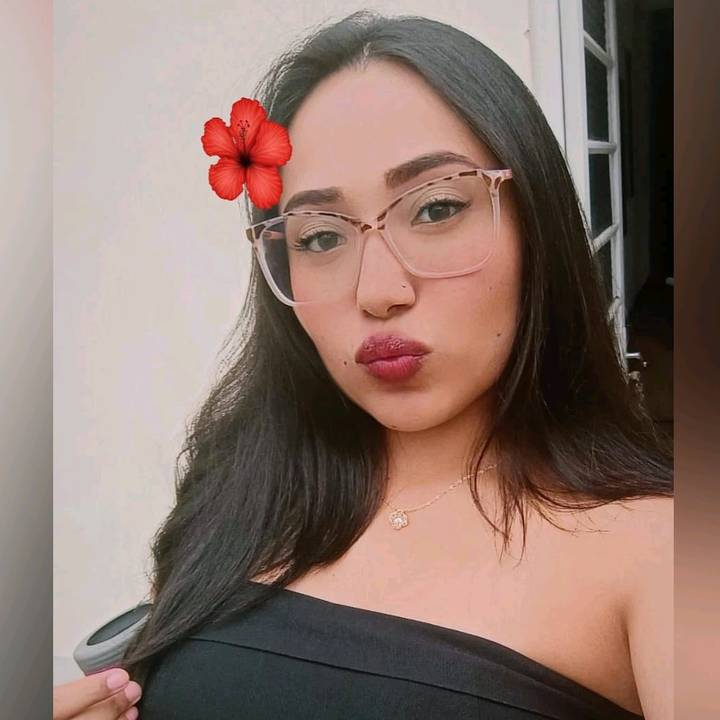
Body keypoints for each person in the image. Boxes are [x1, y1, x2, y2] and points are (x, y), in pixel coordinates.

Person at [53, 9, 673, 720]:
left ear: (537, 222)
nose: (378, 291)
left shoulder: (657, 554)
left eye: (436, 208)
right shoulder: (240, 485)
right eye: (320, 238)